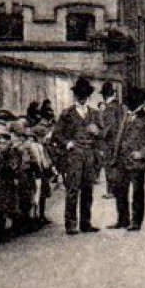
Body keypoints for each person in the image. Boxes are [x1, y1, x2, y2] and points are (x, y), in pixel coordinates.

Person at [49, 77, 102, 234]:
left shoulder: (94, 113)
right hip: (74, 156)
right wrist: (68, 143)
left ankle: (86, 223)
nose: (82, 97)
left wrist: (97, 132)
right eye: (79, 94)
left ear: (88, 96)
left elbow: (102, 134)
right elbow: (56, 135)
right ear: (75, 96)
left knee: (88, 189)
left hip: (89, 155)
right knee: (72, 189)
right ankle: (71, 224)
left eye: (85, 95)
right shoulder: (67, 114)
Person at [107, 102, 145, 230]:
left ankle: (136, 222)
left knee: (137, 193)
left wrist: (142, 153)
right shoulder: (124, 117)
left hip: (137, 162)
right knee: (120, 191)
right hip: (121, 161)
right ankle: (123, 219)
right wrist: (115, 157)